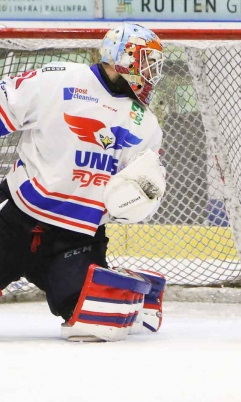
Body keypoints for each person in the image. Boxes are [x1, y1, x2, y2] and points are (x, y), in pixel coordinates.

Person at [0, 22, 168, 342]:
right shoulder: (57, 78)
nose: (150, 72)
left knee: (93, 324)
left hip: (77, 237)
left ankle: (121, 289)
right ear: (123, 56)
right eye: (146, 61)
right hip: (17, 218)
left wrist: (139, 197)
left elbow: (145, 187)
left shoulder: (145, 122)